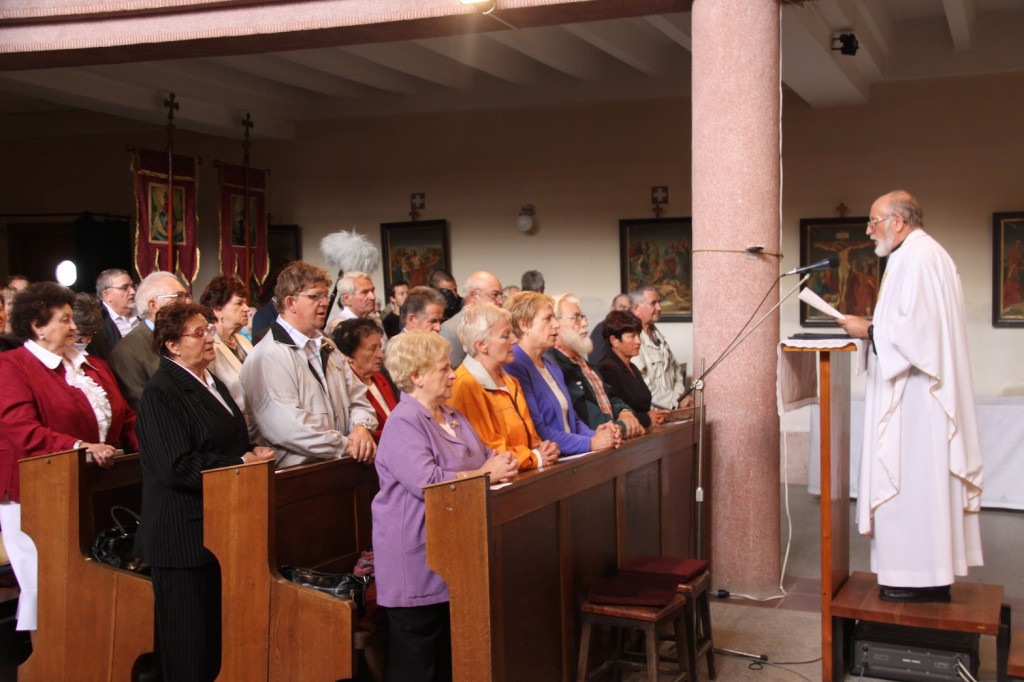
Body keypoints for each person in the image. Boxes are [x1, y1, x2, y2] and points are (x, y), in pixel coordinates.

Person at [837, 190, 983, 603]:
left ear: (898, 221)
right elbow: (914, 325)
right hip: (920, 396)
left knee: (911, 483)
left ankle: (916, 577)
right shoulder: (925, 255)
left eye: (874, 221)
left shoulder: (916, 259)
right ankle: (924, 573)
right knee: (922, 487)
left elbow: (918, 334)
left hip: (916, 400)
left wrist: (867, 330)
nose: (869, 230)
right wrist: (874, 328)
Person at [135, 302, 275, 681]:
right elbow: (175, 466)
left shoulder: (210, 381)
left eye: (209, 330)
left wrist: (253, 451)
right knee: (190, 648)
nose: (210, 338)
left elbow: (227, 442)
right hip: (182, 537)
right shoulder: (161, 392)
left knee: (214, 644)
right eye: (199, 333)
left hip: (218, 530)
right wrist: (241, 462)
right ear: (172, 345)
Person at [372, 331, 517, 682]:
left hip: (456, 556)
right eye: (443, 368)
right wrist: (486, 473)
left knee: (450, 662)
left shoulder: (451, 415)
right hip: (417, 559)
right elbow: (429, 483)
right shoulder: (403, 422)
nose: (453, 374)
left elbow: (487, 455)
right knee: (418, 667)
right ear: (417, 376)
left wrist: (503, 463)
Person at [0, 282, 137, 636]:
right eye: (64, 320)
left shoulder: (91, 365)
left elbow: (125, 417)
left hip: (96, 487)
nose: (74, 327)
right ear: (37, 326)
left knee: (93, 581)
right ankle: (50, 655)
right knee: (48, 588)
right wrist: (80, 446)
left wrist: (151, 446)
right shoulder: (12, 366)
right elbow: (22, 429)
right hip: (36, 492)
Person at [241, 261, 378, 468]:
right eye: (315, 296)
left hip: (342, 464)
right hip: (298, 473)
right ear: (290, 303)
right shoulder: (268, 355)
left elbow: (358, 398)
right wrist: (346, 444)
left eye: (325, 296)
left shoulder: (327, 345)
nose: (325, 302)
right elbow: (288, 428)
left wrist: (361, 427)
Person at [503, 292, 620, 455]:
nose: (556, 325)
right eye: (547, 318)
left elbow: (574, 420)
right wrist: (591, 442)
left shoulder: (551, 365)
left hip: (569, 456)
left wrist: (597, 435)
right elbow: (538, 431)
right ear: (524, 325)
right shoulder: (514, 365)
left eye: (555, 318)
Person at [448, 303, 559, 470]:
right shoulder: (465, 385)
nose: (514, 340)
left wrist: (542, 447)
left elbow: (529, 436)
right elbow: (489, 450)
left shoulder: (511, 381)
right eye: (505, 335)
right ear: (481, 345)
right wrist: (534, 458)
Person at [546, 294, 643, 438]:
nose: (584, 324)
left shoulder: (581, 362)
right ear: (555, 323)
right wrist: (624, 426)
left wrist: (624, 412)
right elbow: (586, 415)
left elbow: (610, 396)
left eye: (583, 317)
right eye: (576, 318)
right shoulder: (554, 365)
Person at [108, 271, 191, 411]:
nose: (187, 302)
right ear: (153, 305)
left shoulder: (187, 337)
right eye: (178, 296)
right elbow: (144, 409)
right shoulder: (126, 353)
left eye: (186, 296)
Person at [199, 276, 256, 436]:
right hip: (233, 431)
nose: (247, 308)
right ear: (217, 310)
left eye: (246, 303)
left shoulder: (243, 341)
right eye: (239, 303)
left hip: (260, 427)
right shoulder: (208, 345)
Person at [597, 310, 669, 429]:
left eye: (638, 335)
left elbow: (642, 406)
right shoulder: (607, 369)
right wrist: (647, 419)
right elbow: (614, 413)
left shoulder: (632, 367)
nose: (638, 341)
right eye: (632, 336)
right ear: (614, 341)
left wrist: (654, 416)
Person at [333, 318, 399, 442]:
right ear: (348, 355)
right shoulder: (346, 389)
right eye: (372, 349)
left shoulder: (380, 379)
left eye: (380, 347)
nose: (381, 355)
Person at [629, 285, 688, 410]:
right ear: (636, 308)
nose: (659, 308)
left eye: (659, 302)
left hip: (672, 411)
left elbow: (677, 372)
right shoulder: (632, 342)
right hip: (651, 414)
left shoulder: (658, 336)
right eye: (653, 303)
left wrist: (679, 398)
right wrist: (675, 400)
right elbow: (642, 384)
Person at [439, 271, 503, 369]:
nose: (500, 301)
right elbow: (452, 371)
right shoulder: (451, 329)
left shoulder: (496, 324)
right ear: (474, 296)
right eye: (495, 295)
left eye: (501, 295)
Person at [91, 268, 139, 359]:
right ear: (107, 295)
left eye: (133, 286)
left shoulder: (144, 312)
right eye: (124, 288)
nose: (133, 291)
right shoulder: (97, 324)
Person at [587, 293, 630, 364]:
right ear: (613, 308)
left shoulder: (627, 330)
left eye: (629, 309)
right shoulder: (602, 329)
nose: (625, 312)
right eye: (622, 307)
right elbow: (596, 362)